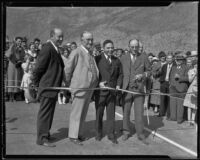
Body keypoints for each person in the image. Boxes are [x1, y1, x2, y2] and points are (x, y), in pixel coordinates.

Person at [64, 31, 99, 145]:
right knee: (76, 113)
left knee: (83, 113)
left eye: (91, 39)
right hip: (79, 88)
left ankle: (79, 133)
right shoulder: (76, 52)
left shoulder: (90, 53)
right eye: (88, 40)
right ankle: (73, 136)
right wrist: (69, 85)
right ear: (82, 40)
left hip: (89, 89)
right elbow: (68, 70)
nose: (90, 42)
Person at [31, 28, 65, 147]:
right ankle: (42, 138)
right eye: (58, 37)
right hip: (47, 87)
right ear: (51, 36)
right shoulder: (47, 48)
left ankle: (46, 134)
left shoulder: (55, 48)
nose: (61, 39)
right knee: (45, 114)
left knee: (49, 113)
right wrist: (35, 85)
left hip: (52, 87)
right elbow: (38, 68)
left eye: (62, 37)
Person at [120, 39, 151, 145]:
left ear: (139, 47)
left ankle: (140, 134)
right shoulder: (123, 58)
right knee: (126, 112)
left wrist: (143, 75)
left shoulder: (144, 57)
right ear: (128, 46)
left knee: (139, 113)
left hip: (139, 90)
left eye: (136, 47)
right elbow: (120, 73)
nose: (134, 49)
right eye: (132, 47)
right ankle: (125, 132)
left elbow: (149, 71)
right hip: (126, 89)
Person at [94, 40, 123, 144]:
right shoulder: (97, 59)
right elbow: (93, 74)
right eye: (108, 48)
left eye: (112, 47)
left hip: (112, 93)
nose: (110, 49)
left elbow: (120, 74)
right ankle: (98, 133)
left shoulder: (117, 60)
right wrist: (98, 84)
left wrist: (119, 85)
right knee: (99, 114)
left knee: (111, 115)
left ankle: (111, 134)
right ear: (103, 48)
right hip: (100, 92)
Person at [168, 54, 189, 124]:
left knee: (180, 105)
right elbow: (170, 76)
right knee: (172, 103)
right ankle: (173, 117)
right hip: (173, 88)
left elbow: (188, 78)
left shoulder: (186, 67)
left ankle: (179, 119)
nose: (178, 61)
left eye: (180, 60)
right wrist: (170, 84)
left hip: (181, 89)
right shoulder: (173, 67)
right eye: (177, 60)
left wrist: (180, 77)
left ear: (183, 61)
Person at [5, 36, 25, 102]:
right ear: (16, 41)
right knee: (12, 80)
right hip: (12, 66)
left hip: (18, 66)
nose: (20, 42)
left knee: (17, 80)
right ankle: (11, 96)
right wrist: (13, 47)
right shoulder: (12, 47)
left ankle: (16, 96)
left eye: (20, 41)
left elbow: (23, 57)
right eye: (18, 41)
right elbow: (7, 55)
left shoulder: (21, 48)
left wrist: (20, 61)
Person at [156, 52, 174, 119]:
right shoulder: (164, 66)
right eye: (168, 58)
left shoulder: (174, 66)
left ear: (173, 59)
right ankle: (161, 113)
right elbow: (161, 74)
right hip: (163, 83)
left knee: (169, 99)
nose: (169, 59)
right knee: (162, 98)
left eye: (170, 58)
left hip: (170, 84)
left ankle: (168, 114)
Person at [182, 52, 197, 127]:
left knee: (195, 106)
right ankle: (189, 119)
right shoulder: (191, 71)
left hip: (197, 90)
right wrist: (194, 74)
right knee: (189, 105)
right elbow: (190, 80)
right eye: (195, 65)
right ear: (193, 65)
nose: (196, 66)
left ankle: (193, 120)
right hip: (191, 89)